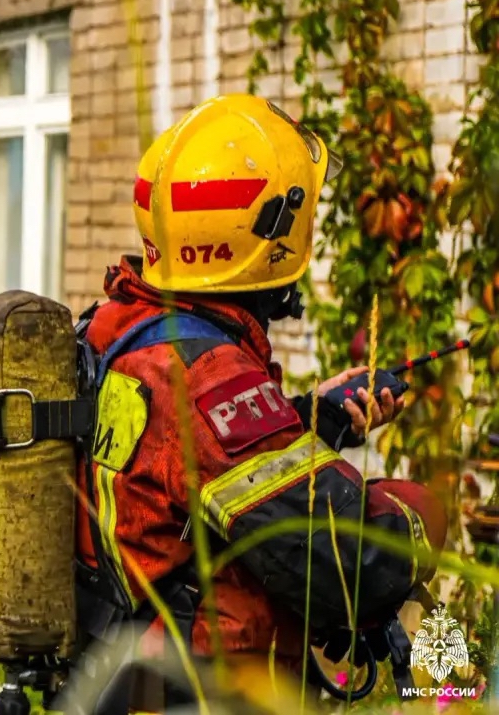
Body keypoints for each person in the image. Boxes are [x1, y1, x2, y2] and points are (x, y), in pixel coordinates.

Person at [72, 94, 447, 711]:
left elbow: (178, 468)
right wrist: (423, 507)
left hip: (120, 673)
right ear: (269, 233)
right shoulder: (208, 375)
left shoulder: (119, 328)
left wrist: (309, 415)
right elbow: (346, 560)